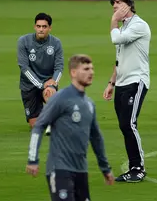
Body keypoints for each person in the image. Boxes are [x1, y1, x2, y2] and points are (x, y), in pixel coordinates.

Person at [26, 54, 114, 201]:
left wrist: (105, 168)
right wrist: (32, 159)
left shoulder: (89, 104)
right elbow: (39, 126)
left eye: (92, 68)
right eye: (86, 69)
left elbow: (96, 137)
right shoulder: (60, 98)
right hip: (59, 169)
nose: (91, 72)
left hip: (81, 170)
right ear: (73, 72)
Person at [103, 0, 150, 183]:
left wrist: (113, 22)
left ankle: (138, 168)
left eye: (119, 2)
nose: (115, 6)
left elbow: (116, 40)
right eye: (113, 4)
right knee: (125, 125)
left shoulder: (139, 25)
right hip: (121, 83)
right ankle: (133, 166)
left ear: (129, 5)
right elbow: (119, 59)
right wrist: (111, 83)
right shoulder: (124, 28)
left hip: (136, 81)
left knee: (128, 124)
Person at [18, 12, 64, 135]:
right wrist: (40, 84)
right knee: (36, 126)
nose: (41, 29)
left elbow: (59, 67)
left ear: (50, 28)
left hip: (48, 82)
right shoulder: (23, 41)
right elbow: (24, 67)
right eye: (38, 26)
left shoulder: (56, 43)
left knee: (50, 92)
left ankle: (53, 118)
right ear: (34, 27)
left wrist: (53, 82)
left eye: (44, 26)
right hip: (28, 86)